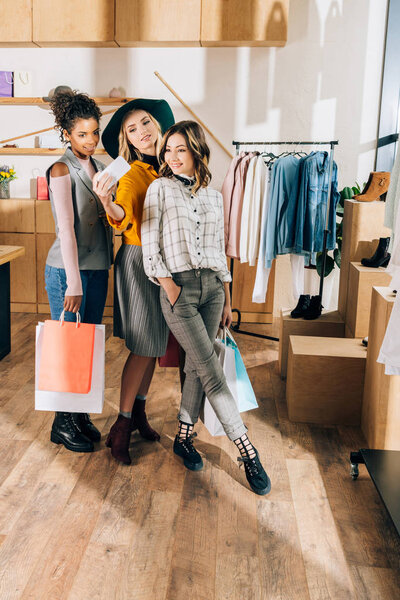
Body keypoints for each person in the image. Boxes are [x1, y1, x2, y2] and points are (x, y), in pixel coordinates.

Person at [141, 120, 271, 495]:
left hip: (213, 290)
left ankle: (184, 437)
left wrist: (228, 297)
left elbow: (218, 250)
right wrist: (170, 288)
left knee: (199, 368)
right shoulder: (159, 189)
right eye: (168, 150)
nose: (173, 157)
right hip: (178, 288)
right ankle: (247, 450)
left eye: (181, 149)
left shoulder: (214, 196)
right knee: (211, 369)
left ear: (197, 151)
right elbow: (152, 248)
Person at [98, 99, 175, 465]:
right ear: (126, 140)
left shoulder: (169, 169)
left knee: (156, 345)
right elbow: (120, 214)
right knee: (144, 346)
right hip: (138, 263)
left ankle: (139, 413)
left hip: (165, 267)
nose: (142, 131)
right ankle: (122, 425)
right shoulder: (130, 174)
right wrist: (106, 201)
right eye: (132, 129)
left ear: (158, 125)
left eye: (145, 122)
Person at [45, 90, 114, 453]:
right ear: (67, 134)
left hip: (98, 268)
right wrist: (73, 282)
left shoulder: (100, 168)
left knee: (86, 346)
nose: (90, 140)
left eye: (94, 133)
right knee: (67, 347)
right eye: (82, 134)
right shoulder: (60, 169)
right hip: (67, 273)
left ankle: (79, 412)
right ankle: (62, 421)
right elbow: (66, 230)